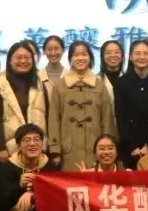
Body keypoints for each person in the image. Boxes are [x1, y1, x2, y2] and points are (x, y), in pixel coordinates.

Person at [48, 41, 116, 171]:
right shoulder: (60, 86)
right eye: (76, 55)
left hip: (96, 149)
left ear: (90, 57)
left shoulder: (99, 85)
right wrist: (55, 149)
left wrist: (108, 148)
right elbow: (54, 119)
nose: (80, 58)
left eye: (84, 54)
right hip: (68, 149)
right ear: (70, 59)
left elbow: (107, 119)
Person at [0, 42, 50, 162]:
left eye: (27, 57)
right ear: (9, 61)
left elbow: (47, 115)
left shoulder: (40, 84)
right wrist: (2, 147)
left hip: (37, 148)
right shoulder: (0, 84)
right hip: (11, 149)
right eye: (18, 57)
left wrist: (47, 143)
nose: (23, 61)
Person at [98, 40, 125, 108]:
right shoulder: (96, 80)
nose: (113, 55)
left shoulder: (129, 79)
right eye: (108, 53)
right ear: (102, 56)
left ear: (122, 55)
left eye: (117, 52)